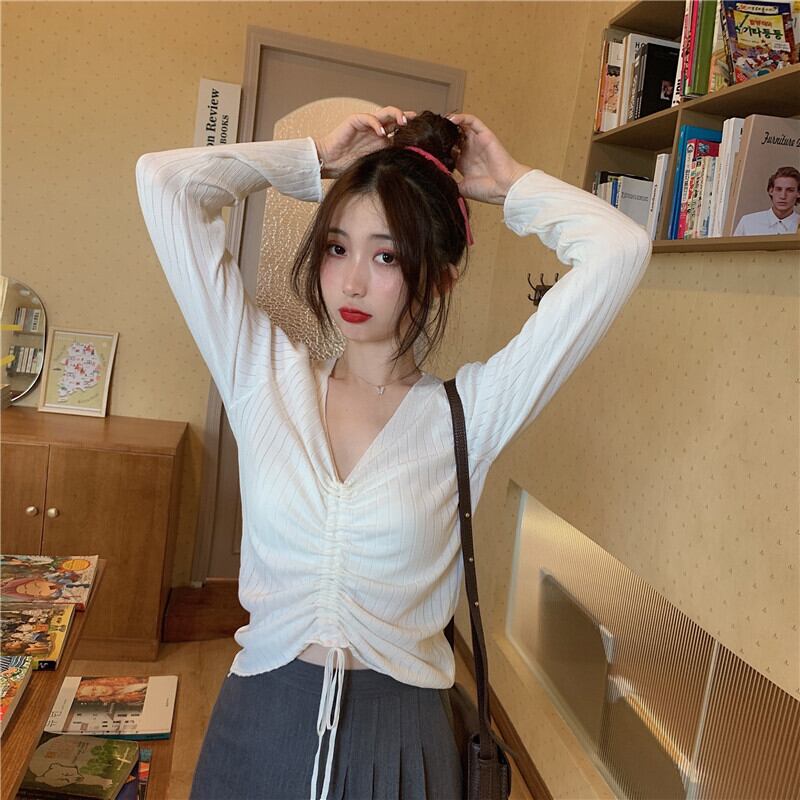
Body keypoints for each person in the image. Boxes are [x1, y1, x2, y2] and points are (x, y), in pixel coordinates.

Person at [135, 106, 651, 800]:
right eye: (337, 247)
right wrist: (312, 160)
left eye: (386, 256)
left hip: (403, 744)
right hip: (258, 729)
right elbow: (164, 183)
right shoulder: (263, 377)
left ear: (439, 277)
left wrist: (509, 185)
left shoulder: (470, 414)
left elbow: (620, 249)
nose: (352, 282)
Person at [732, 166, 800, 236]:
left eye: (790, 190)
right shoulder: (748, 222)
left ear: (798, 193)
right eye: (778, 189)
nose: (783, 196)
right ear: (771, 191)